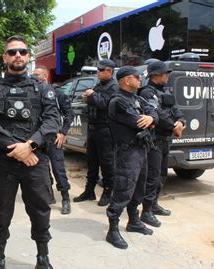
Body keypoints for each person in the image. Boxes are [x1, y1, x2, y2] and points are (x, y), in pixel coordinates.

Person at [0, 35, 61, 269]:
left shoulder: (43, 89)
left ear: (28, 56)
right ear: (5, 57)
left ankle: (43, 260)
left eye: (22, 51)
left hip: (35, 161)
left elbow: (51, 122)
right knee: (1, 214)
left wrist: (30, 145)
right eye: (12, 52)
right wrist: (17, 149)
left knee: (40, 212)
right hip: (5, 162)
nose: (17, 55)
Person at [105, 66, 159, 249]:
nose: (140, 80)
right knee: (124, 187)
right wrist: (148, 121)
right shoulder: (118, 101)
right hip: (127, 152)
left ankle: (133, 221)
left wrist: (151, 119)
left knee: (139, 187)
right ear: (127, 80)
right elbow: (137, 122)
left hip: (141, 149)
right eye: (137, 77)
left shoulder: (137, 98)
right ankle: (112, 229)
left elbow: (153, 112)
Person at [140, 61, 186, 224]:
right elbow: (158, 113)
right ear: (154, 75)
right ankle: (146, 211)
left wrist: (181, 121)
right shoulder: (147, 93)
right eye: (165, 73)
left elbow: (175, 109)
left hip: (165, 139)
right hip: (154, 140)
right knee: (152, 176)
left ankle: (154, 204)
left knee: (162, 174)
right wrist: (174, 126)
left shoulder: (164, 91)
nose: (167, 76)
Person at [73, 59, 118, 207]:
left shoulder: (114, 87)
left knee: (107, 163)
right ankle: (89, 190)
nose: (98, 72)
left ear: (109, 71)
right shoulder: (98, 85)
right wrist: (87, 99)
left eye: (101, 69)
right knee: (91, 161)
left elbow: (106, 105)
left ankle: (108, 192)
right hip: (92, 127)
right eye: (97, 69)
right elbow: (93, 103)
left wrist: (92, 95)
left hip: (105, 129)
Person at [32, 65, 75, 214]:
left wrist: (63, 133)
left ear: (45, 76)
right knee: (42, 169)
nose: (34, 77)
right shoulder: (31, 93)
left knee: (58, 169)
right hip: (37, 138)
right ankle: (48, 194)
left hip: (53, 138)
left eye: (37, 75)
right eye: (33, 74)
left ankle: (65, 198)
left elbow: (69, 114)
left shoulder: (57, 94)